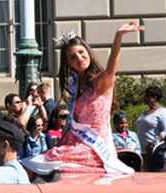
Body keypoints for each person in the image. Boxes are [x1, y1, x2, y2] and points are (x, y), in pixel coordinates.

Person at [38, 22, 143, 175]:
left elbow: (112, 67)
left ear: (88, 51)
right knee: (39, 165)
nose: (79, 58)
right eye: (73, 57)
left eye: (81, 52)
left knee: (46, 164)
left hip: (95, 148)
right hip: (74, 142)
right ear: (68, 63)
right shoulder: (75, 86)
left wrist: (118, 37)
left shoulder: (100, 82)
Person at [136, 86, 166, 169]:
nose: (144, 98)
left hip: (154, 152)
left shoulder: (163, 113)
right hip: (141, 151)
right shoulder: (144, 112)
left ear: (154, 97)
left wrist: (154, 143)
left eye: (147, 96)